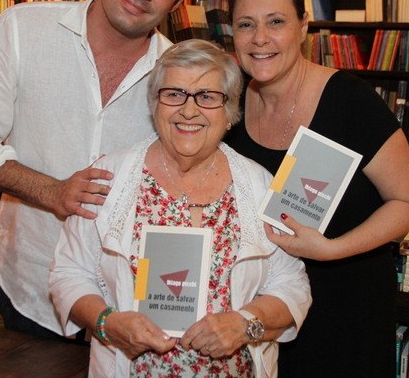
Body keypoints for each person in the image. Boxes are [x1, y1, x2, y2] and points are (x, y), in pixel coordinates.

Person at [0, 0, 206, 339]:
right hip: (32, 289)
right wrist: (52, 191)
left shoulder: (180, 74)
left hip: (130, 306)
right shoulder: (23, 28)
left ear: (177, 3)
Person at [49, 39, 312, 377]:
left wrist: (244, 324)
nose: (189, 111)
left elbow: (292, 285)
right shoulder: (108, 178)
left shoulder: (261, 186)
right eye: (174, 94)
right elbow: (68, 273)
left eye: (207, 97)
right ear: (154, 104)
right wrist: (107, 322)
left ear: (229, 111)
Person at [223, 0, 409, 378]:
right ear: (231, 33)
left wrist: (331, 249)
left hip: (346, 306)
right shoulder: (230, 106)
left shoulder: (350, 101)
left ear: (304, 26)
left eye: (276, 22)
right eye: (246, 24)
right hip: (265, 311)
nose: (260, 38)